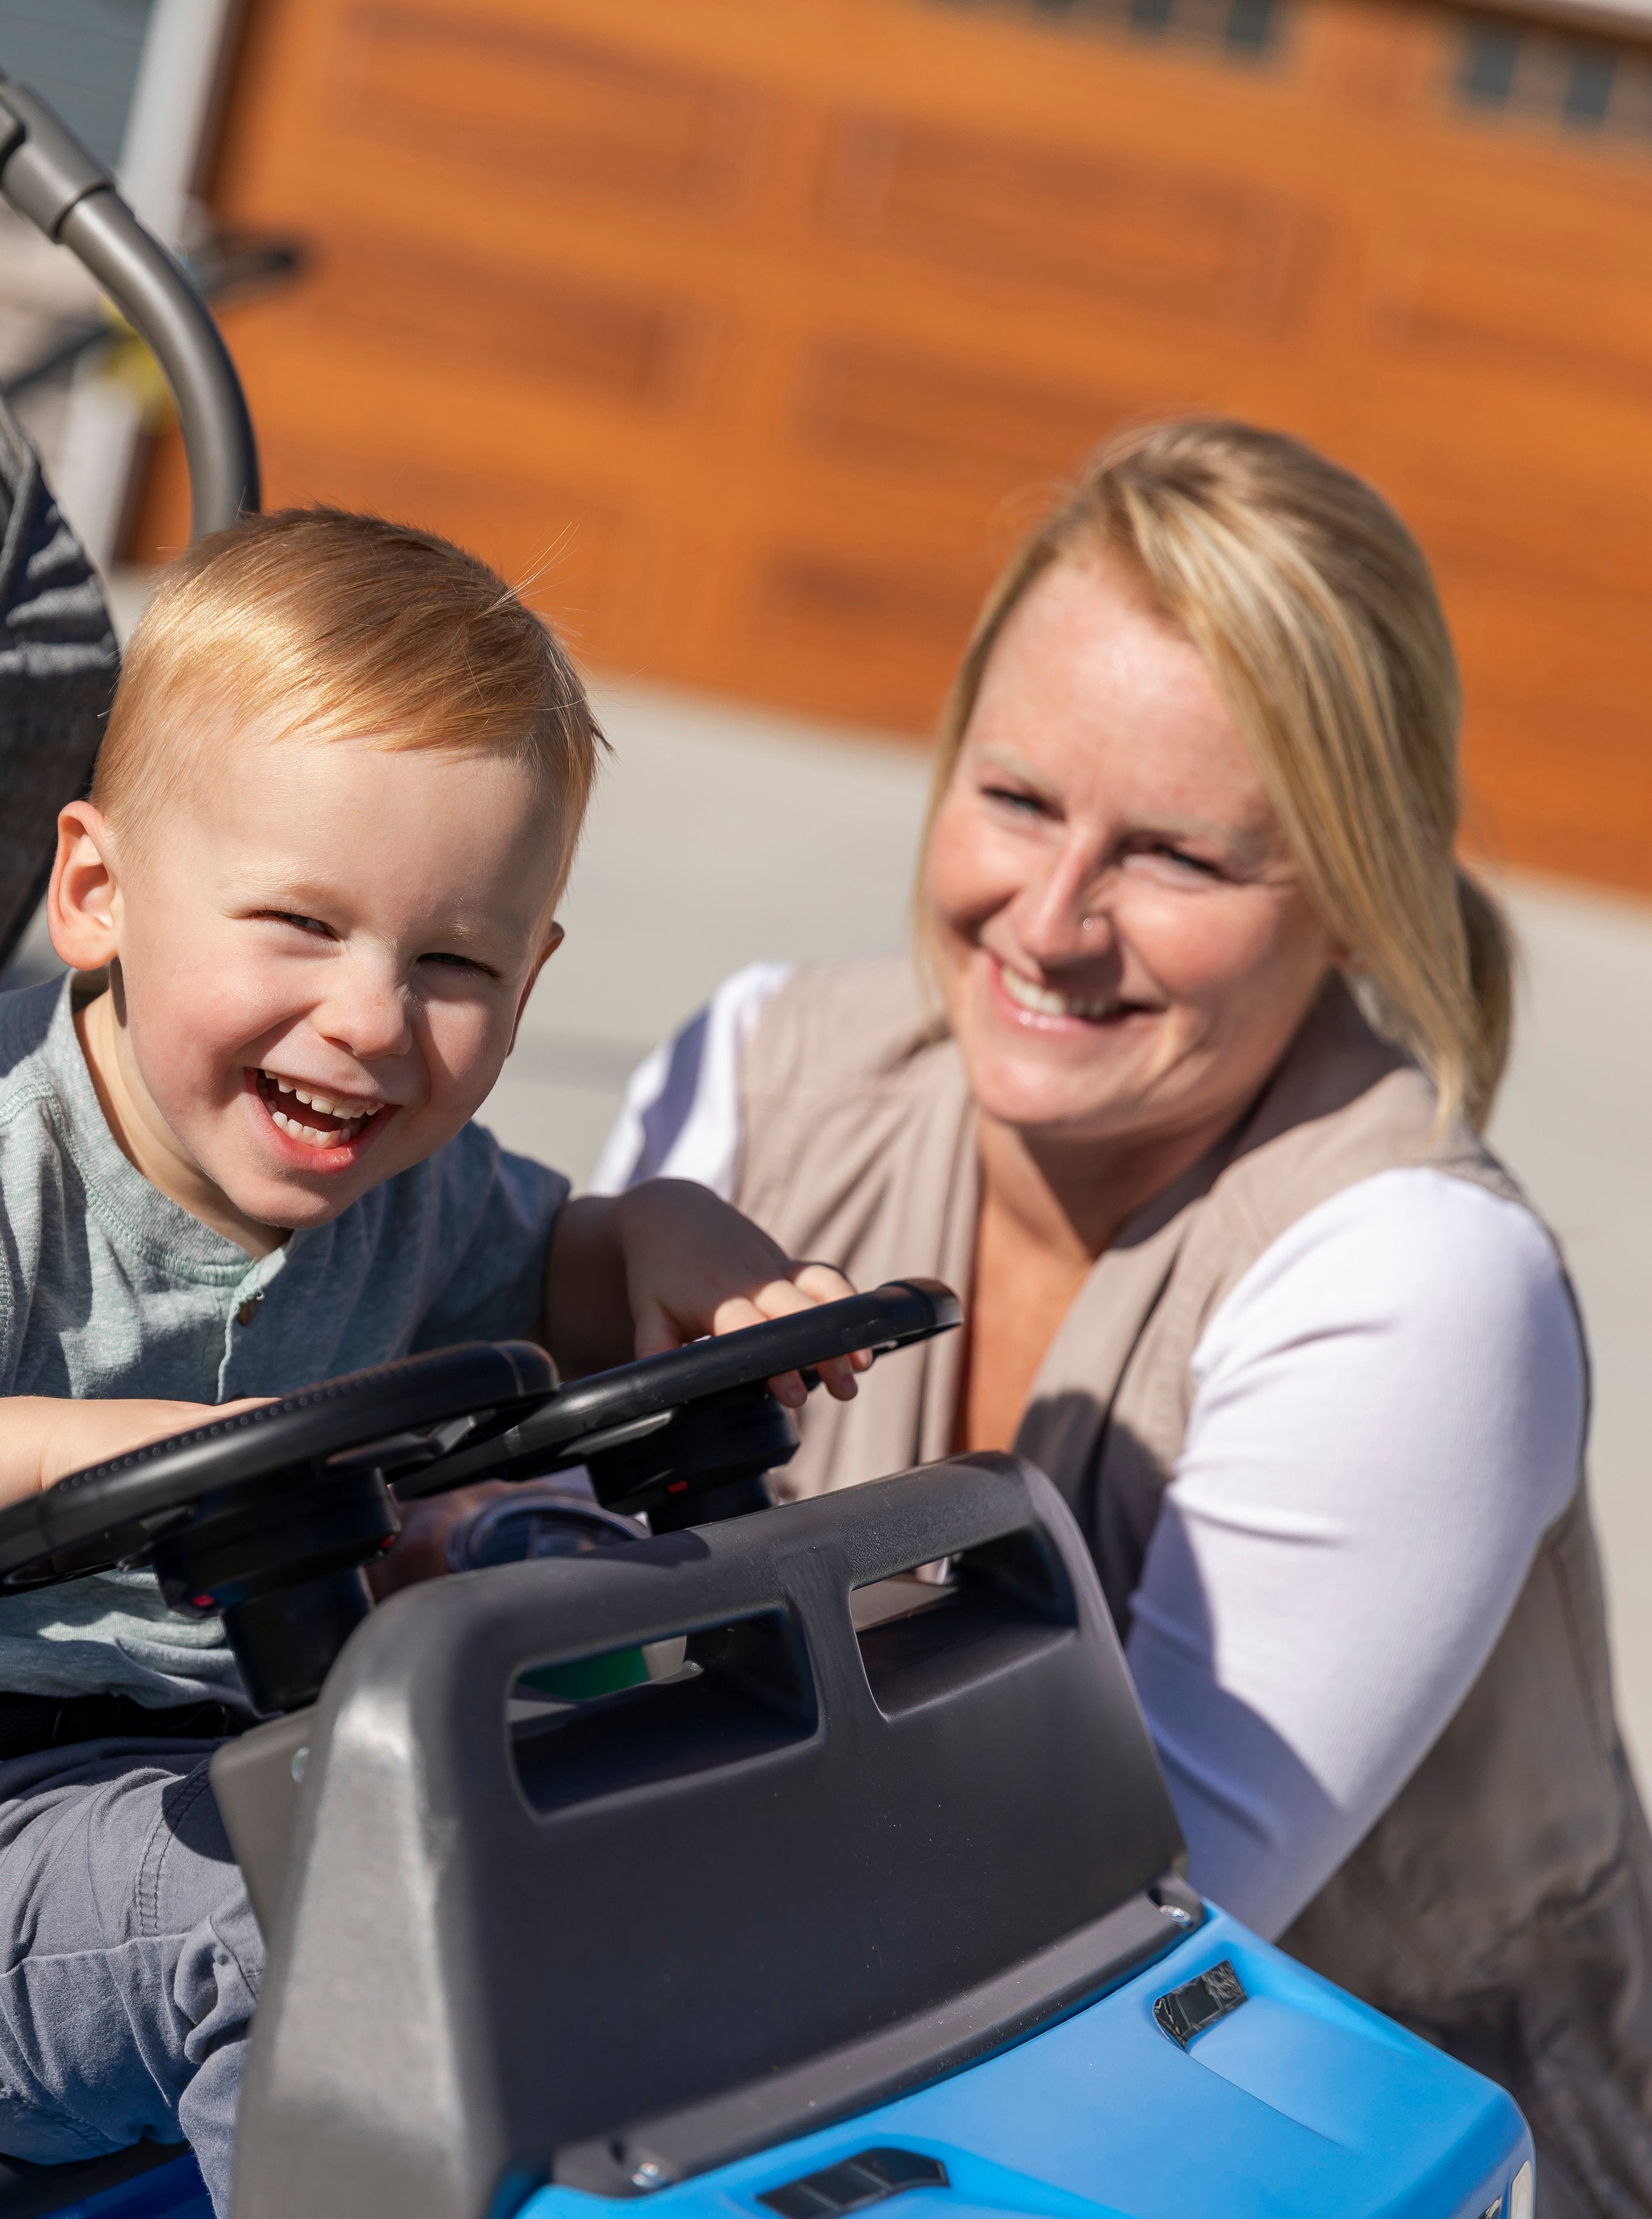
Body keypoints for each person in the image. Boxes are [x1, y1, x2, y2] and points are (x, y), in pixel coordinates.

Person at [0, 508, 861, 2211]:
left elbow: (559, 1275)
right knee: (322, 1938)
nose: (367, 1016)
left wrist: (667, 1234)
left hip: (247, 1782)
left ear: (535, 971)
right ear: (97, 892)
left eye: (453, 963)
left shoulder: (398, 1191)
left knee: (675, 1812)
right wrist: (53, 1448)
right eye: (300, 924)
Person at [598, 419, 1652, 2216]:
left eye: (1171, 855)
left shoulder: (1410, 1277)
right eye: (1014, 799)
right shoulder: (755, 1075)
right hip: (781, 2084)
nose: (1052, 919)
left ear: (1346, 897)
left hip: (1378, 2151)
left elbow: (1116, 1929)